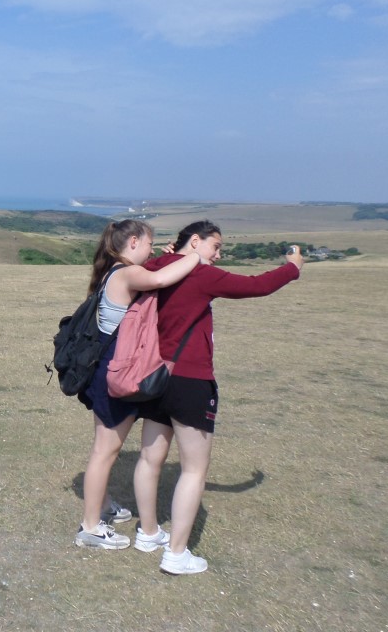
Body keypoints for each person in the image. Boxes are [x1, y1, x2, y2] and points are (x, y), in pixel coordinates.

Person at [132, 220, 304, 574]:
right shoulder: (200, 275)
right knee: (194, 470)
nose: (219, 254)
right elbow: (257, 285)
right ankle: (176, 554)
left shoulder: (154, 267)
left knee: (150, 459)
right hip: (190, 380)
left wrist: (170, 255)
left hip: (154, 376)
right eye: (216, 246)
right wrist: (293, 268)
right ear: (195, 241)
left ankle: (148, 533)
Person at [74, 219, 205, 550]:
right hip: (116, 372)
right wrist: (194, 255)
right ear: (133, 242)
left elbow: (155, 274)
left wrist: (171, 257)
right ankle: (90, 527)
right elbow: (159, 279)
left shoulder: (115, 271)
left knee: (105, 449)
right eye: (149, 243)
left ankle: (102, 506)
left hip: (109, 369)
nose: (151, 249)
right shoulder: (127, 273)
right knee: (105, 451)